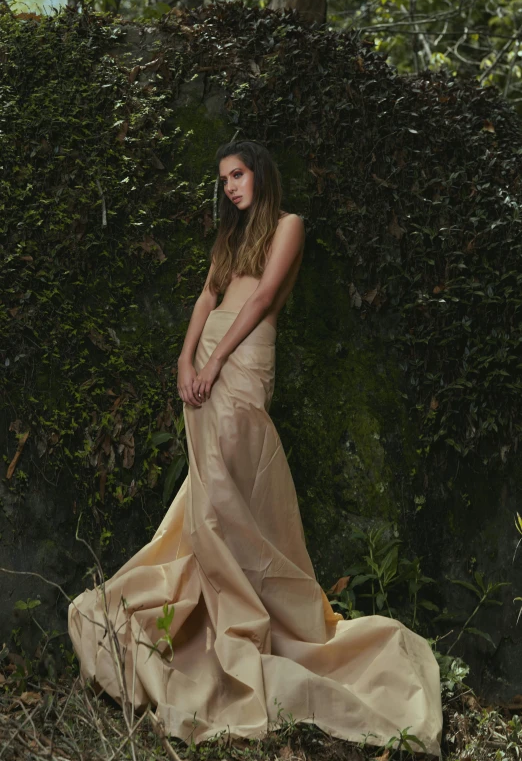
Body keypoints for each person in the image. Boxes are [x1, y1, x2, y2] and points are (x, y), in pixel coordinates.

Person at [68, 140, 443, 756]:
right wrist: (184, 358)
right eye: (222, 180)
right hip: (208, 365)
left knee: (227, 490)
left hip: (242, 364)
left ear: (260, 174)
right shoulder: (229, 239)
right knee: (211, 490)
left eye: (237, 175)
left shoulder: (288, 225)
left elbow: (264, 298)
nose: (230, 188)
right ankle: (207, 622)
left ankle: (248, 626)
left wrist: (215, 361)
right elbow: (207, 298)